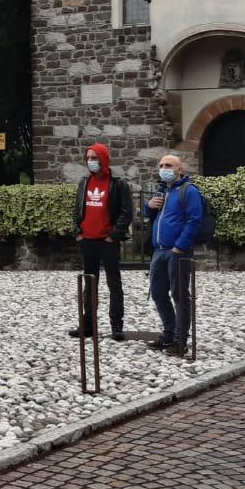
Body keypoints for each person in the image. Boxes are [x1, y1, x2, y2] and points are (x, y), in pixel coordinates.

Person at [69, 142, 134, 342]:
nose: (91, 162)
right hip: (87, 240)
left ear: (104, 159)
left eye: (94, 158)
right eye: (88, 158)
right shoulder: (84, 182)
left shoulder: (118, 184)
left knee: (114, 283)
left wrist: (113, 236)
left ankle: (116, 325)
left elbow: (126, 212)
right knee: (89, 284)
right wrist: (78, 232)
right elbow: (77, 209)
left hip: (108, 241)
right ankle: (88, 325)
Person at [145, 152, 204, 358]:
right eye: (161, 165)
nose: (164, 169)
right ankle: (169, 334)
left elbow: (195, 220)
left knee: (179, 295)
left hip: (177, 252)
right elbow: (153, 217)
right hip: (159, 251)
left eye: (168, 165)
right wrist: (148, 207)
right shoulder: (162, 190)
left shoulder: (189, 191)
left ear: (179, 169)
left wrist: (179, 246)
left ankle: (180, 341)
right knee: (158, 293)